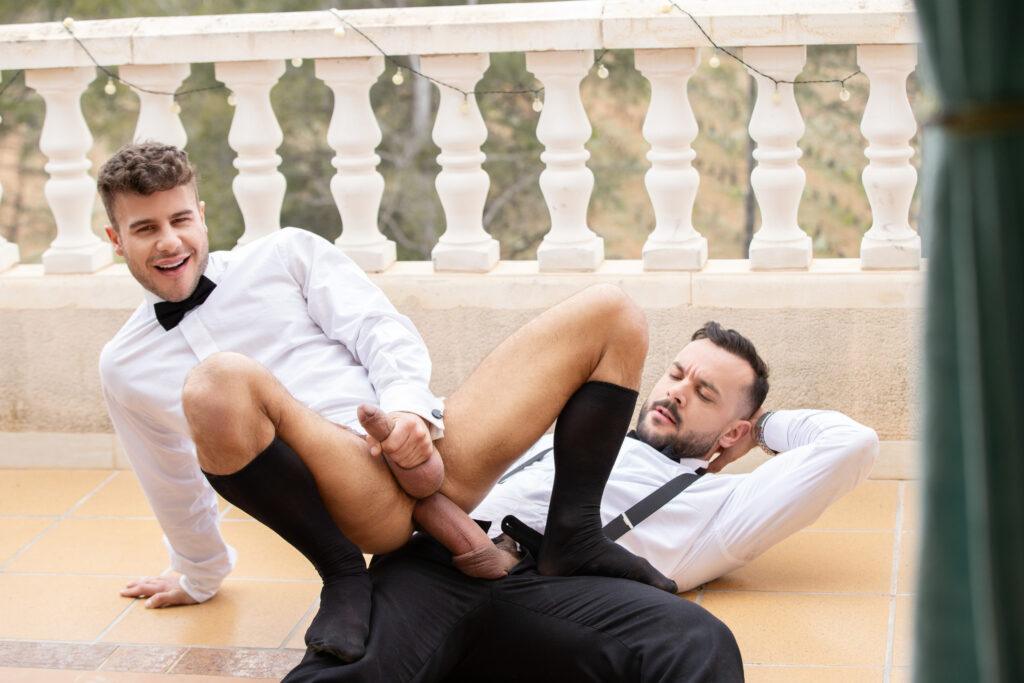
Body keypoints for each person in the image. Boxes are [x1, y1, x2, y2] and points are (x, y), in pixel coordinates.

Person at [96, 143, 698, 666]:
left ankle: (575, 533)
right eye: (145, 229)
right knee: (217, 382)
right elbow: (170, 479)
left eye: (180, 219)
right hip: (356, 500)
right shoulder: (125, 366)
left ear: (202, 215)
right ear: (115, 240)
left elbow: (379, 329)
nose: (170, 241)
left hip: (426, 446)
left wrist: (409, 411)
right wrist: (198, 573)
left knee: (611, 311)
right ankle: (342, 576)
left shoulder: (284, 254)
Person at [284, 322, 878, 681]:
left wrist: (761, 426)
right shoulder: (570, 433)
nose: (676, 392)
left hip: (553, 597)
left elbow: (849, 445)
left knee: (698, 641)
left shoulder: (720, 503)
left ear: (732, 431)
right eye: (676, 374)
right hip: (436, 562)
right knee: (351, 666)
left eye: (704, 393)